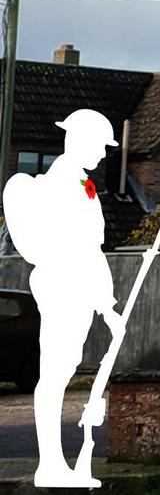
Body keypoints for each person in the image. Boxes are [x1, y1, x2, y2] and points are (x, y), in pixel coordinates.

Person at [4, 109, 118, 488]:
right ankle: (50, 463)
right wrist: (102, 300)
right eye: (100, 146)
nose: (103, 155)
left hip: (80, 285)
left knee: (64, 369)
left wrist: (107, 305)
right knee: (54, 374)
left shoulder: (82, 184)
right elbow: (78, 248)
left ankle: (55, 463)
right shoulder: (61, 186)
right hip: (63, 283)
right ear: (79, 140)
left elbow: (94, 249)